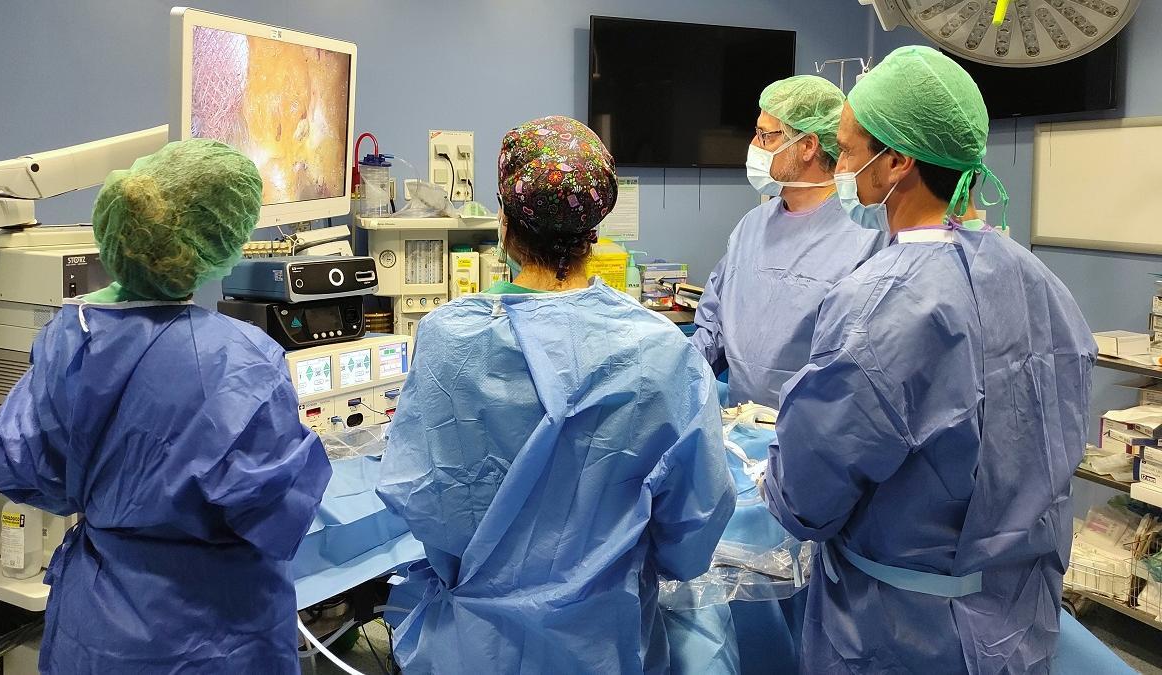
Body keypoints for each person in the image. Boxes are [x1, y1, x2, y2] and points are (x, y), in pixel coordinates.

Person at [764, 46, 1096, 673]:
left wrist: (771, 478)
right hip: (1017, 622)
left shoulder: (882, 303)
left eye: (852, 148)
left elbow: (808, 495)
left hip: (899, 633)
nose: (844, 166)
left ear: (897, 160)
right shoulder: (1040, 282)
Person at [377, 116, 735, 674]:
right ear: (594, 228)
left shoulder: (450, 338)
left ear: (506, 222)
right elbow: (694, 526)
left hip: (477, 647)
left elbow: (424, 499)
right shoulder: (660, 350)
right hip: (605, 643)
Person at [0, 139, 331, 673]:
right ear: (220, 241)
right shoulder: (244, 359)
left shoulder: (67, 340)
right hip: (218, 635)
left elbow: (23, 467)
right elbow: (276, 513)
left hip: (99, 628)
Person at [693, 74, 884, 410]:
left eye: (765, 136)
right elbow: (713, 329)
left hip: (815, 434)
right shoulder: (751, 227)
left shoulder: (866, 235)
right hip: (743, 430)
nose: (753, 146)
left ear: (808, 145)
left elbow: (858, 364)